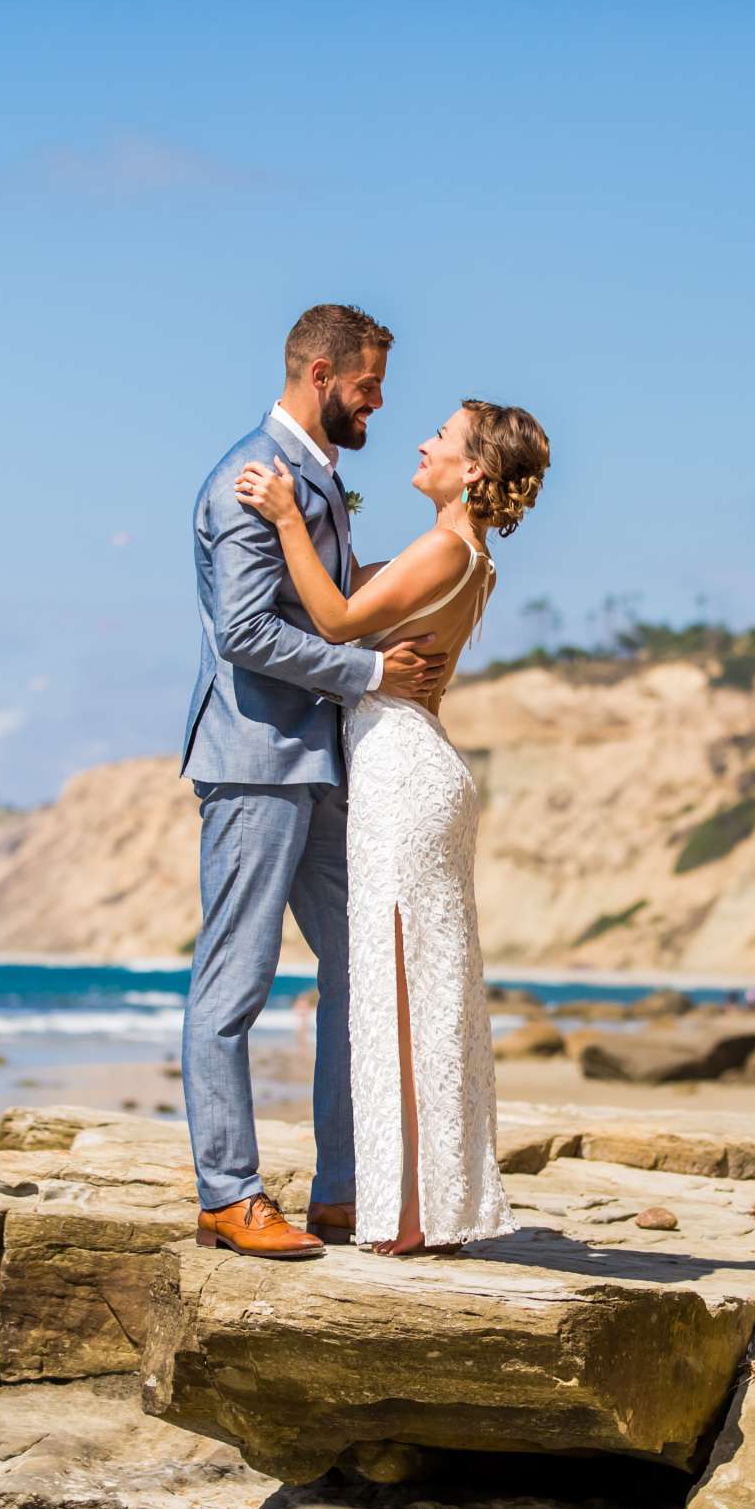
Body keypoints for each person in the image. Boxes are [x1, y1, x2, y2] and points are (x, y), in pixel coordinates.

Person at [232, 396, 550, 1254]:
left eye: (441, 436)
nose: (421, 440)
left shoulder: (448, 546)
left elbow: (336, 622)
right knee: (416, 984)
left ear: (474, 467)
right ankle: (419, 1206)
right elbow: (349, 599)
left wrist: (290, 518)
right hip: (410, 764)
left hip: (405, 773)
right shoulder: (459, 553)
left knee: (399, 982)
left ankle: (414, 1212)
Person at [177, 304, 444, 1260]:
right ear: (321, 373)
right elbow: (247, 634)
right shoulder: (246, 481)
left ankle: (341, 1188)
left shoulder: (314, 478)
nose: (377, 404)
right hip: (254, 764)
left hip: (319, 764)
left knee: (360, 966)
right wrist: (372, 674)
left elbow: (330, 600)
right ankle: (227, 1194)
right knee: (235, 983)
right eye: (369, 386)